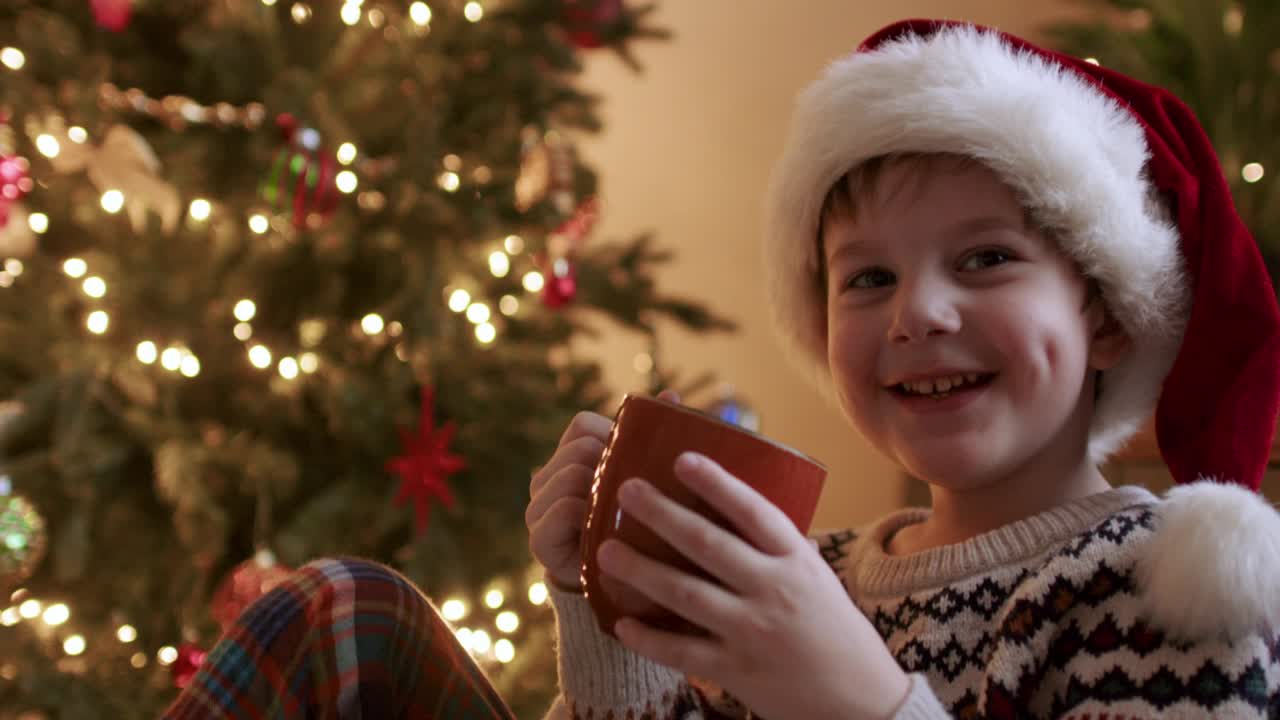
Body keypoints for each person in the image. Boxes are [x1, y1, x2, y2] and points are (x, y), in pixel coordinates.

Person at [166, 18, 1280, 719]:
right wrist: (601, 612)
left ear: (1112, 318)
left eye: (986, 260)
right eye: (865, 279)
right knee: (346, 613)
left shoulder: (1164, 596)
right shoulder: (813, 573)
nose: (916, 314)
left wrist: (850, 692)